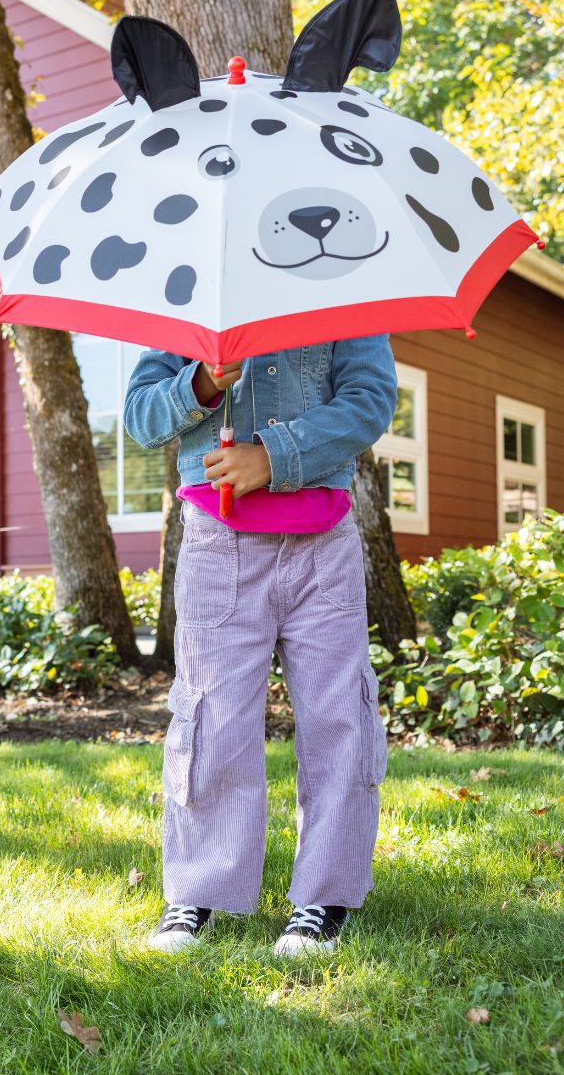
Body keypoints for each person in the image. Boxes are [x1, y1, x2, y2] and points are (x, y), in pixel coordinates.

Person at [123, 339, 396, 955]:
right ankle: (200, 887)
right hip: (220, 545)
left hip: (322, 544)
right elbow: (141, 415)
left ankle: (324, 896)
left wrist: (273, 457)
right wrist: (201, 385)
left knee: (336, 719)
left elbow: (370, 399)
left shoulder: (345, 289)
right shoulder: (188, 295)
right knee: (213, 714)